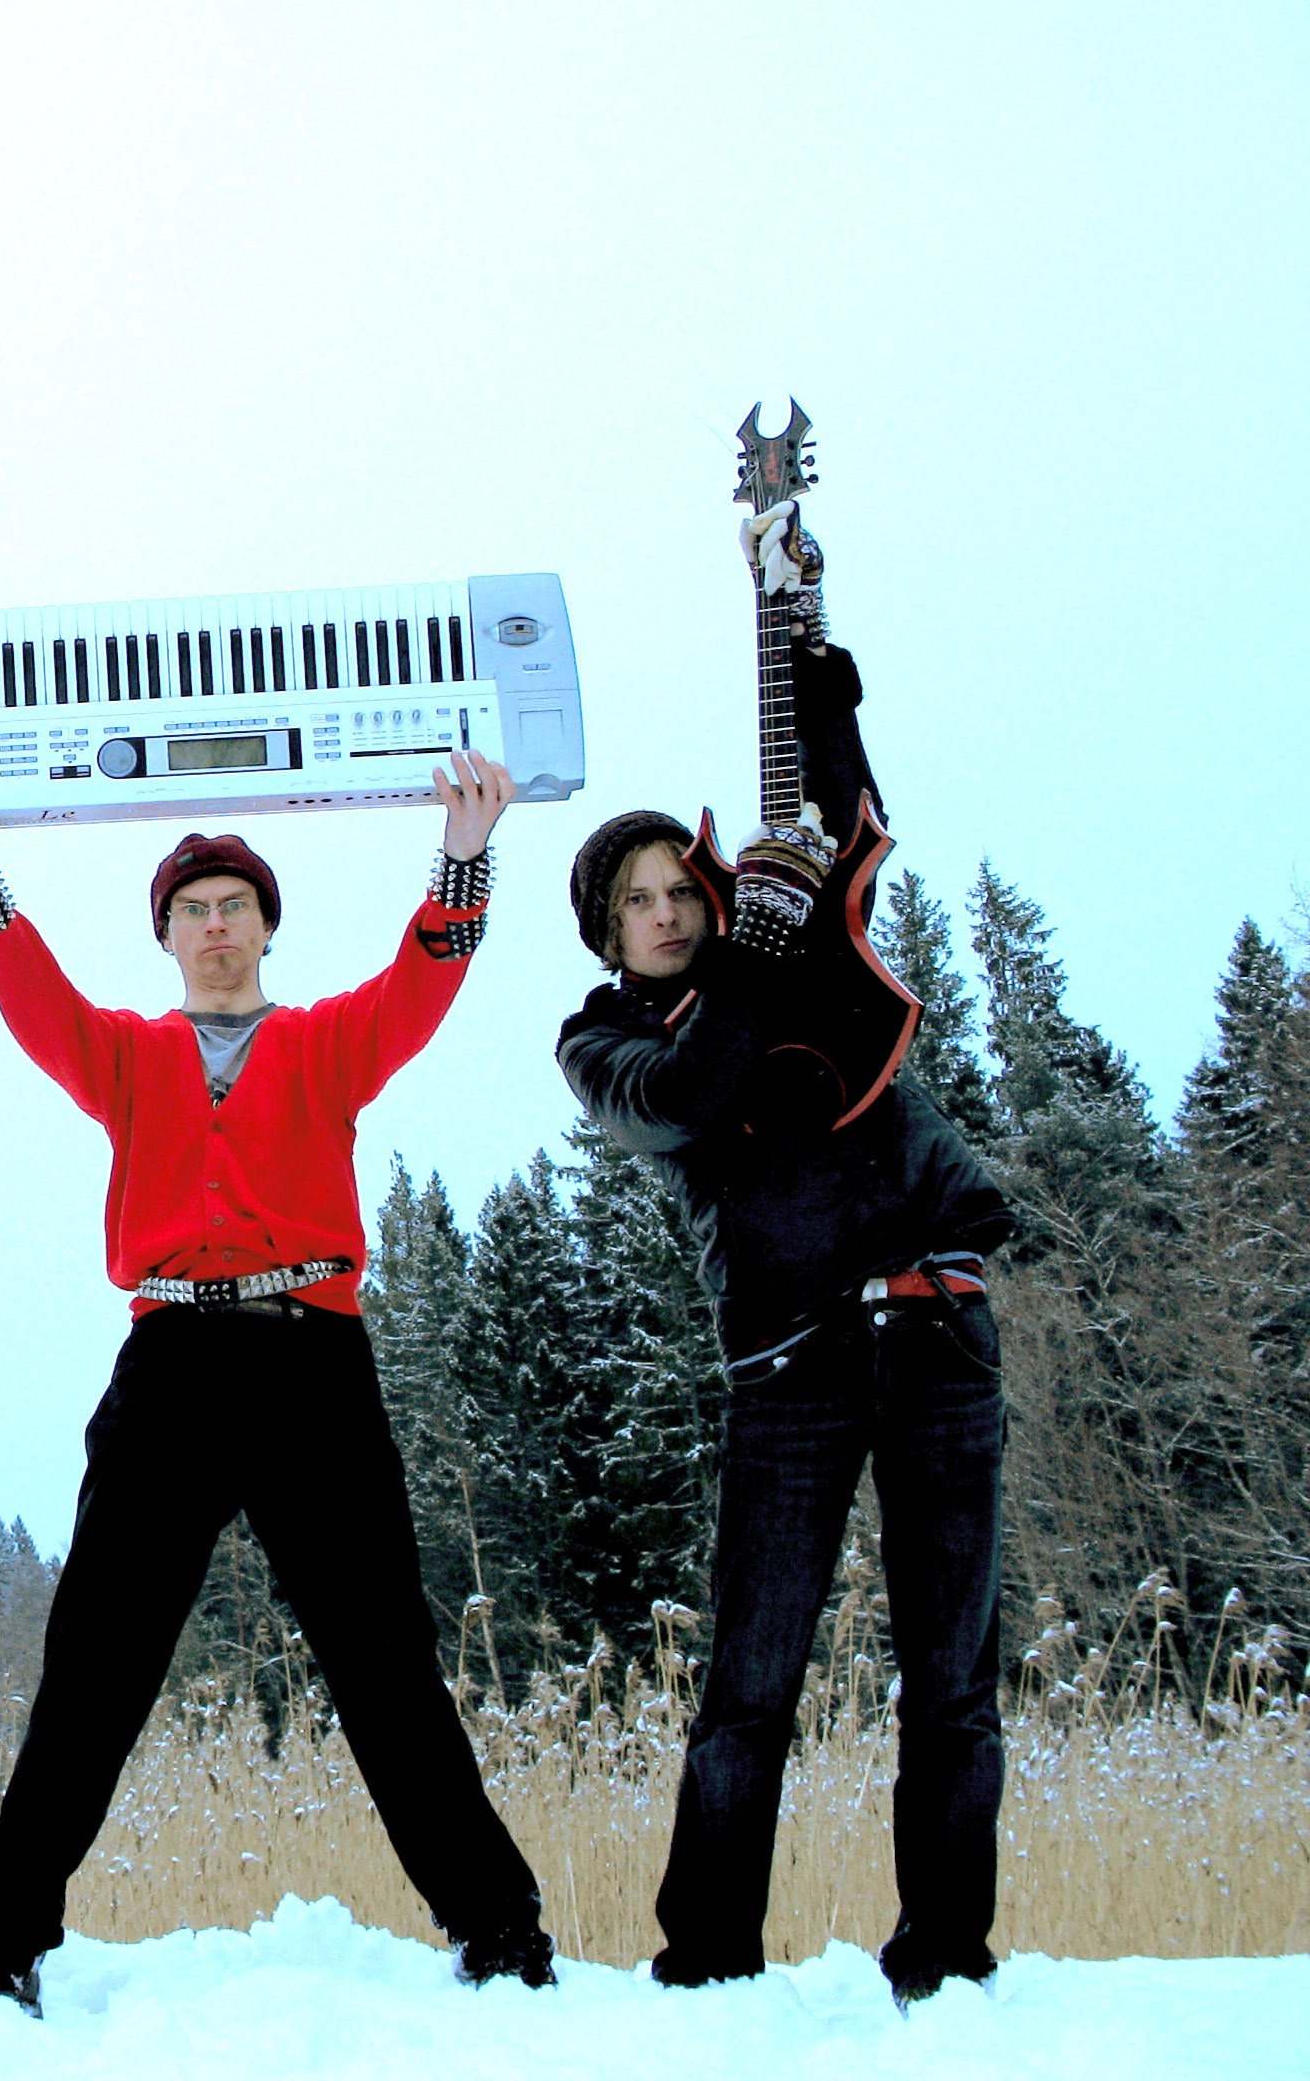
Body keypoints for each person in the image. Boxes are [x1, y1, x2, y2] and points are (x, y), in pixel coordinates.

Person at [0, 759, 555, 2014]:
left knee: (383, 1659)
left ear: (264, 927)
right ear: (167, 936)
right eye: (191, 909)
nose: (214, 925)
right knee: (95, 1665)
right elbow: (35, 1004)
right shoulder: (127, 1056)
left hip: (312, 1360)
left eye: (233, 906)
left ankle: (499, 1932)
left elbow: (421, 987)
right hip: (172, 1366)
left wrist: (465, 857)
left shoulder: (323, 1045)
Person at [557, 502, 1014, 2006]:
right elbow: (694, 1098)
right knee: (752, 1682)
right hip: (792, 1365)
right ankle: (706, 1970)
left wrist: (805, 647)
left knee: (953, 1679)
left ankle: (947, 1964)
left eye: (680, 889)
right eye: (637, 902)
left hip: (936, 1329)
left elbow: (841, 801)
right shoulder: (608, 1045)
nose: (667, 912)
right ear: (607, 934)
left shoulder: (792, 949)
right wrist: (751, 947)